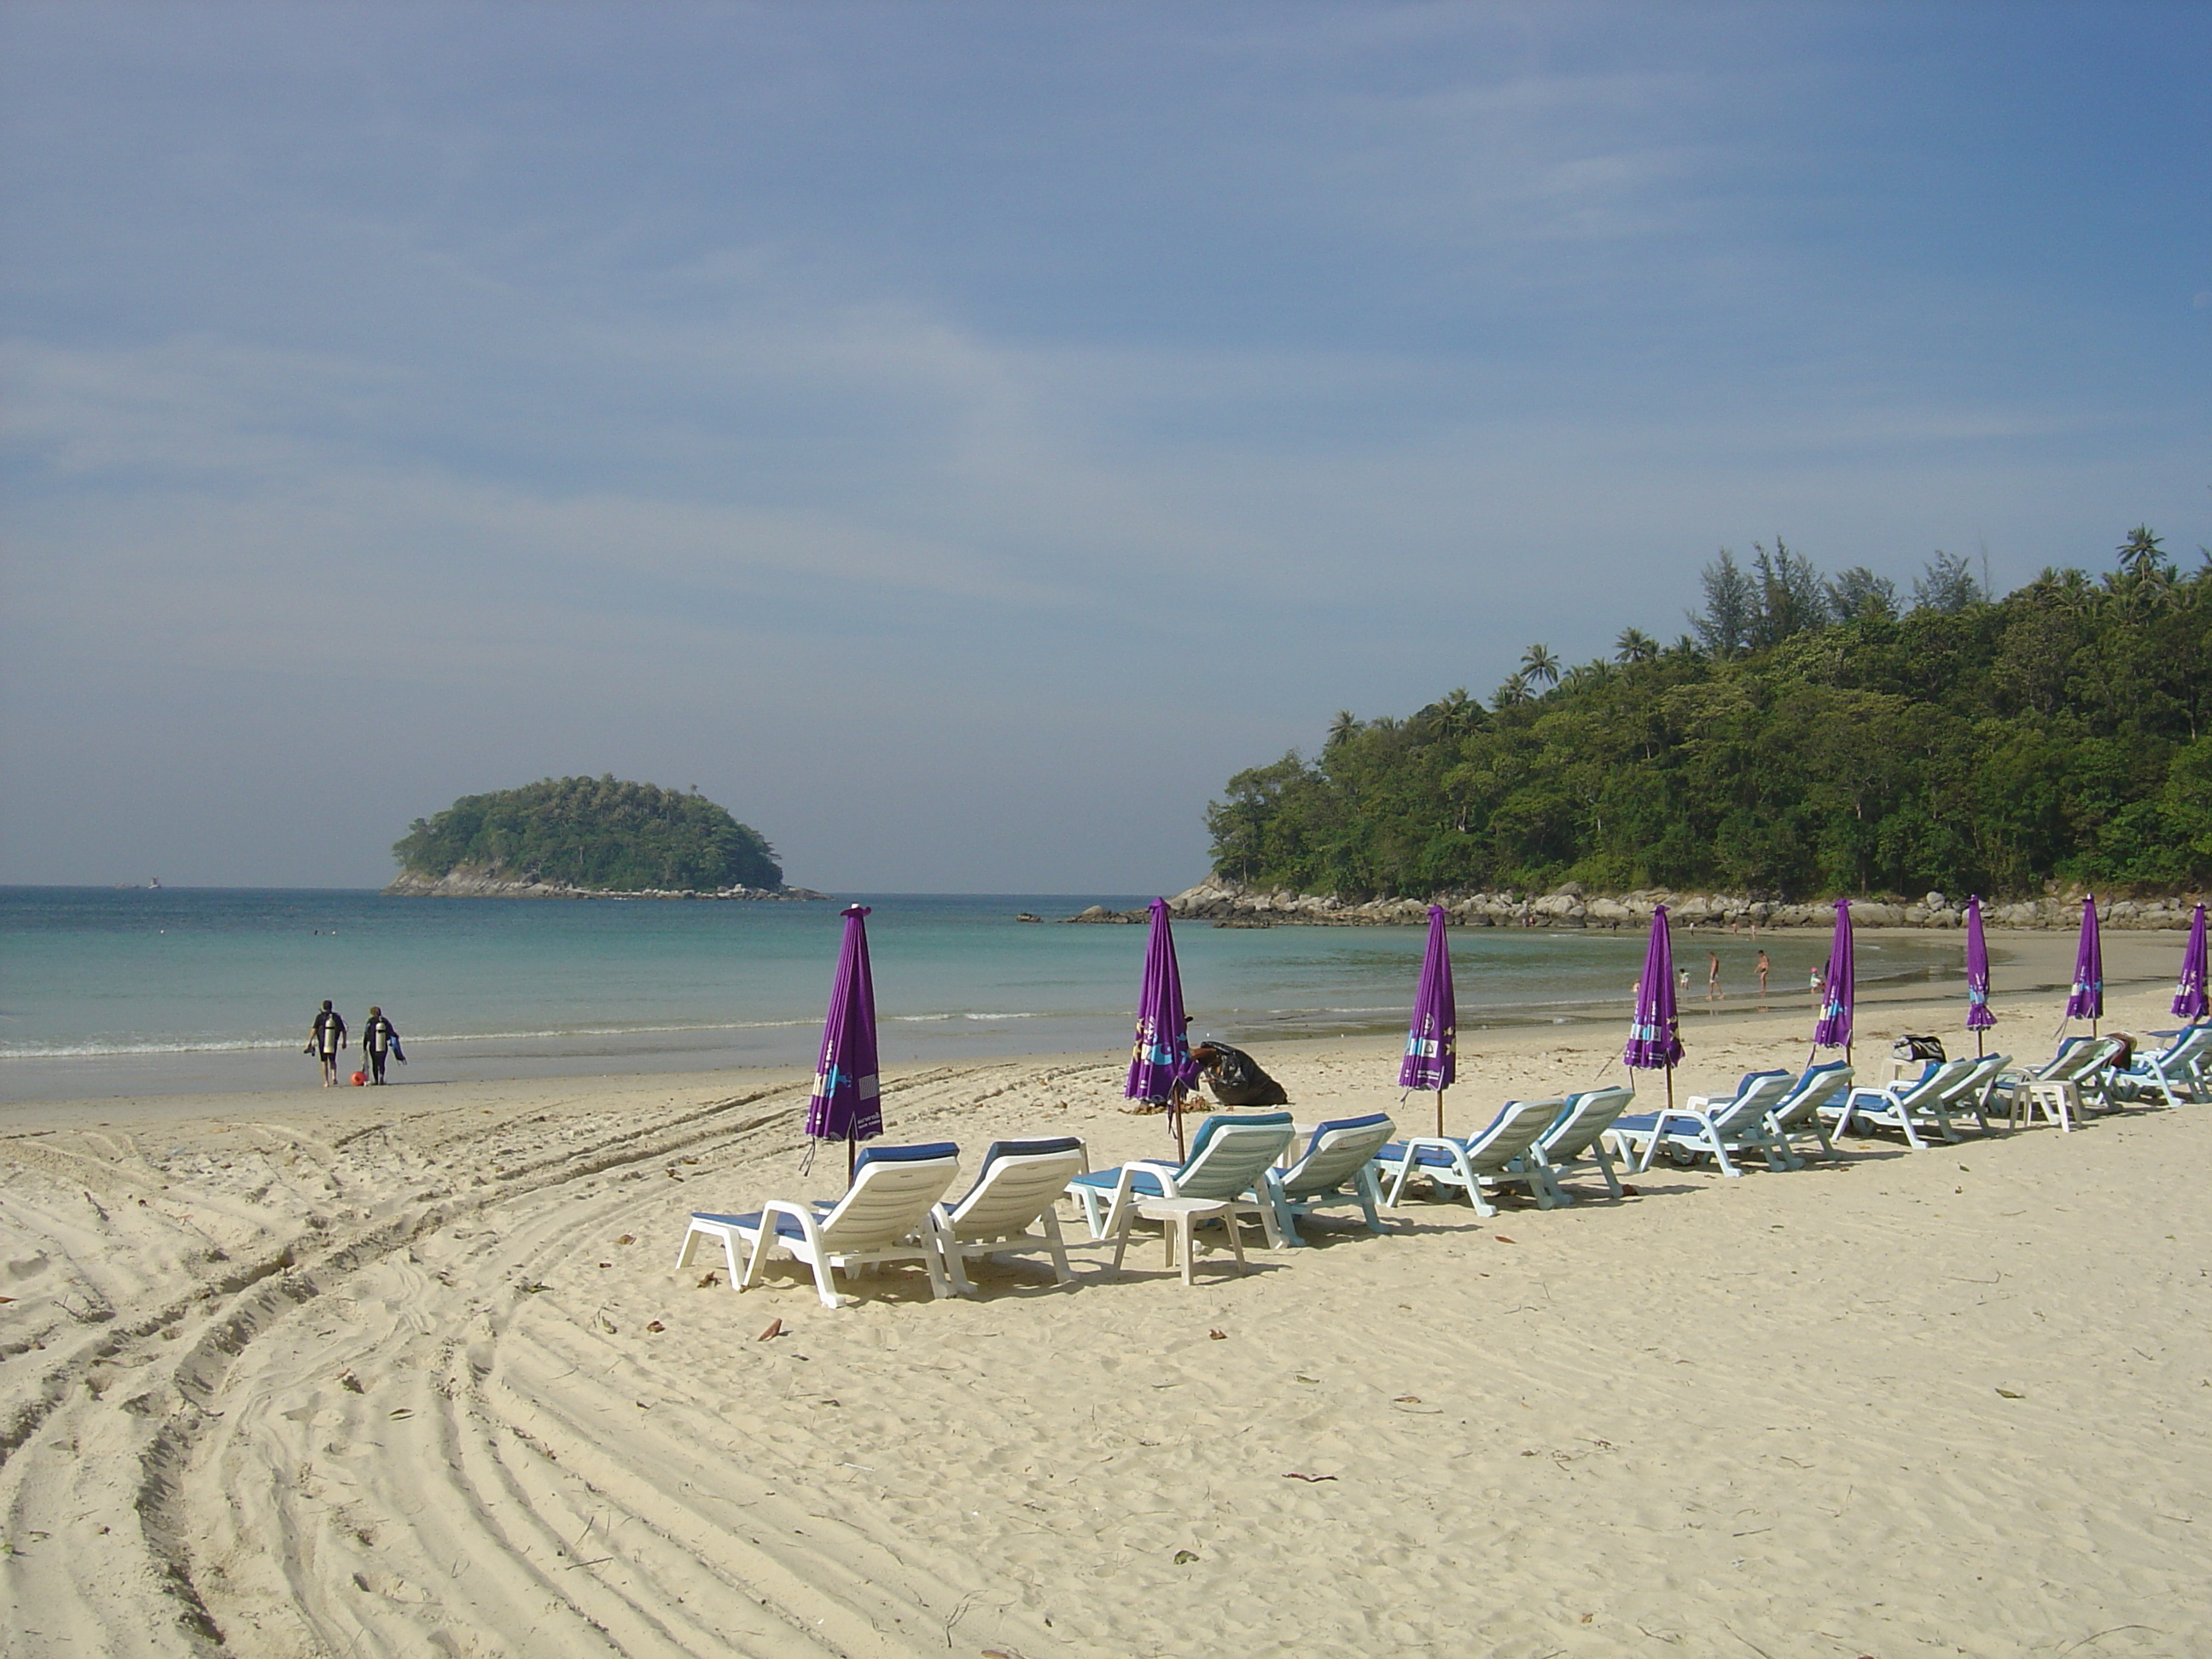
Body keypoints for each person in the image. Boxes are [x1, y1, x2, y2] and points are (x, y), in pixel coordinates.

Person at [306, 999, 347, 1086]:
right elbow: (344, 1030)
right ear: (331, 1007)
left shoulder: (320, 1017)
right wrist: (344, 1042)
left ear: (323, 1007)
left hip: (322, 1042)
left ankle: (326, 1082)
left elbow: (314, 1030)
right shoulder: (336, 1017)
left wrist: (309, 1041)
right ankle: (334, 1077)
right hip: (333, 1041)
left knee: (324, 1061)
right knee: (332, 1060)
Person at [360, 1005, 405, 1085]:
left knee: (374, 1063)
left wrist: (364, 1046)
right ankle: (381, 1078)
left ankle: (376, 1080)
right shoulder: (385, 1021)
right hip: (383, 1044)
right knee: (382, 1062)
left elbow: (366, 1034)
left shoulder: (370, 1021)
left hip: (373, 1045)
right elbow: (392, 1033)